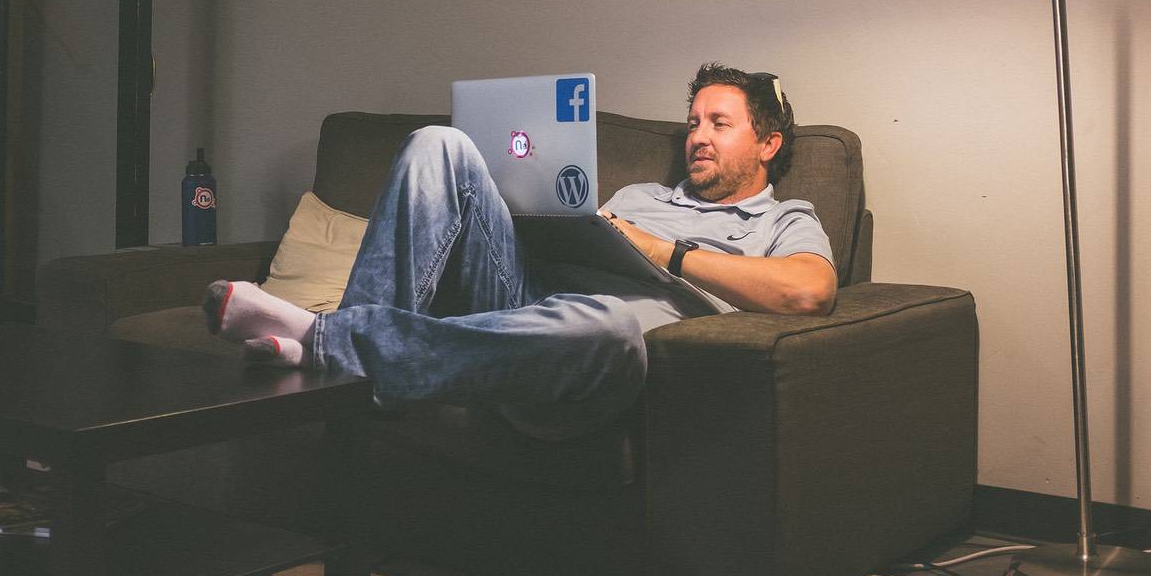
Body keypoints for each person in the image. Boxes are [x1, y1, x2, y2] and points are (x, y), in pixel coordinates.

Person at [204, 63, 837, 440]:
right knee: (438, 144)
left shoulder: (783, 220)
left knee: (610, 323)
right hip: (515, 299)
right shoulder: (640, 193)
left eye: (719, 124)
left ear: (769, 143)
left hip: (584, 356)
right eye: (694, 121)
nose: (698, 137)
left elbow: (807, 292)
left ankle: (328, 342)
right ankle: (351, 354)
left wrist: (662, 250)